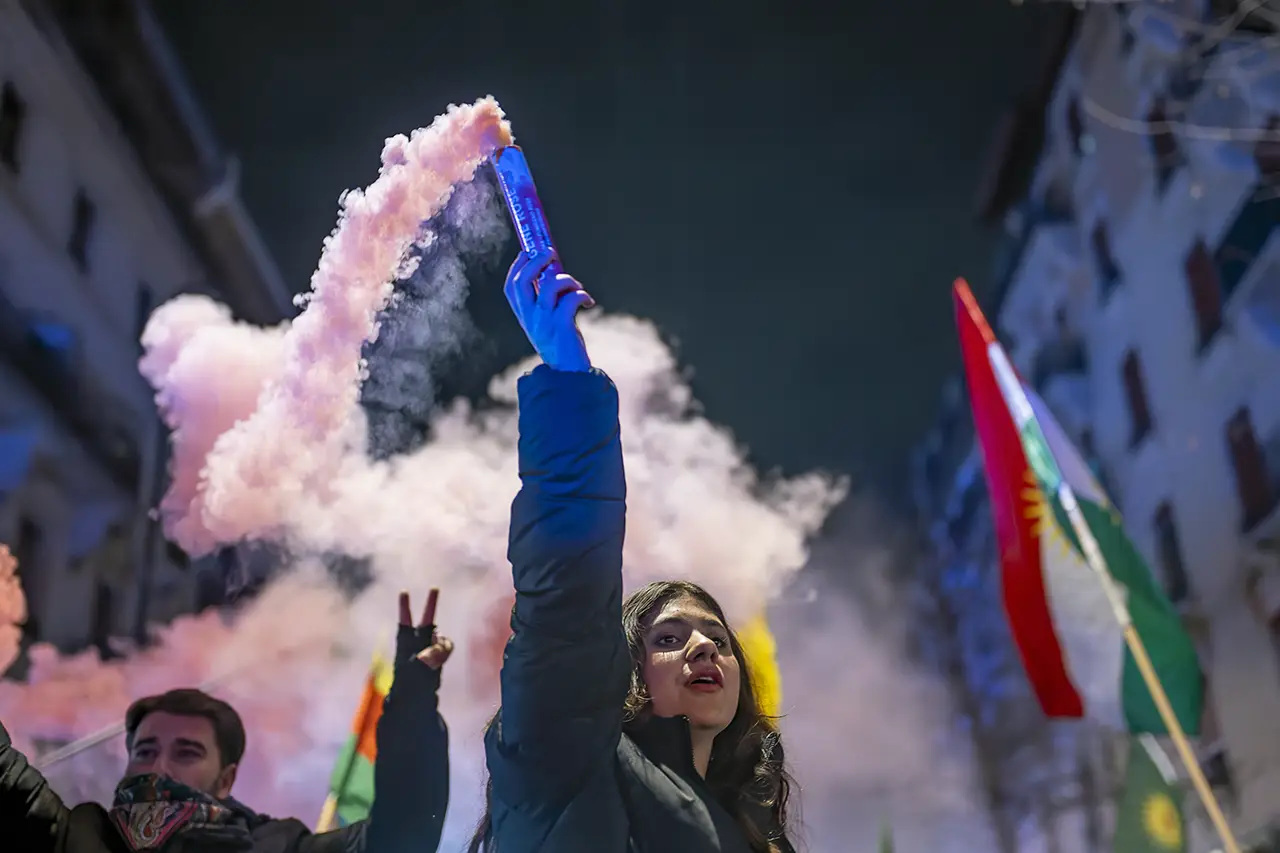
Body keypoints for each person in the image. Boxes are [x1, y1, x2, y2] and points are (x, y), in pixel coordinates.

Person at [469, 249, 797, 852]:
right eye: (668, 638)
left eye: (717, 640)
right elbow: (566, 599)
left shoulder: (750, 833)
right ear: (625, 674)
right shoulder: (571, 756)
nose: (704, 646)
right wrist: (569, 383)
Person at [0, 590, 454, 853]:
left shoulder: (271, 848)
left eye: (186, 752)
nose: (159, 767)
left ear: (226, 778)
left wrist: (411, 707)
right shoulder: (79, 837)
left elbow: (401, 837)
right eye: (146, 750)